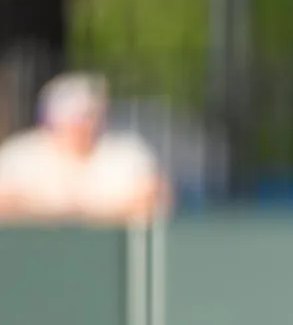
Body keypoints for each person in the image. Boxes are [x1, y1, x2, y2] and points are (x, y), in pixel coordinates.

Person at [0, 72, 170, 225]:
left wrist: (81, 216)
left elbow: (153, 200)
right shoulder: (19, 154)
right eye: (71, 116)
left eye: (88, 116)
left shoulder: (127, 153)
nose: (81, 126)